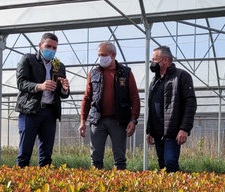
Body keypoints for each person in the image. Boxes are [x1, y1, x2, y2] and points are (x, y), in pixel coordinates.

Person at [79, 41, 140, 170]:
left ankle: (118, 186)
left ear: (113, 55)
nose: (101, 58)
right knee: (95, 157)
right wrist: (83, 121)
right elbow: (87, 98)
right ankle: (96, 187)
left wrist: (133, 119)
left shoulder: (125, 73)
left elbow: (134, 97)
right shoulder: (93, 73)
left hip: (118, 120)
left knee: (119, 158)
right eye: (99, 55)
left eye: (104, 54)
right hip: (97, 120)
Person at [15, 32, 70, 167]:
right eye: (48, 46)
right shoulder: (28, 60)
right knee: (24, 153)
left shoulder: (59, 66)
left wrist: (64, 89)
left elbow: (63, 94)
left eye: (54, 48)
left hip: (50, 113)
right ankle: (19, 183)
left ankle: (44, 184)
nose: (51, 50)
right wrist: (40, 86)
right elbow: (21, 83)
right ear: (40, 45)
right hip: (30, 111)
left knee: (46, 156)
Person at [146, 45, 197, 172]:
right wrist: (149, 130)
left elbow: (190, 103)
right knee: (162, 164)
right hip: (157, 131)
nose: (152, 63)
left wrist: (184, 129)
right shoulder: (155, 81)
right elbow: (151, 106)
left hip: (172, 131)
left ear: (165, 60)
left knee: (170, 162)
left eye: (154, 60)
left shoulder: (181, 76)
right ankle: (167, 190)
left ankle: (177, 190)